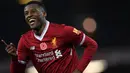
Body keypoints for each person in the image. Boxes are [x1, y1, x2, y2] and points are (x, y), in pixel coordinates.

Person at [3, 1, 98, 73]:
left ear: (44, 14)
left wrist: (78, 70)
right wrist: (14, 58)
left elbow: (92, 45)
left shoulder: (64, 31)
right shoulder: (24, 41)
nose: (29, 15)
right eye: (26, 13)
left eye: (33, 11)